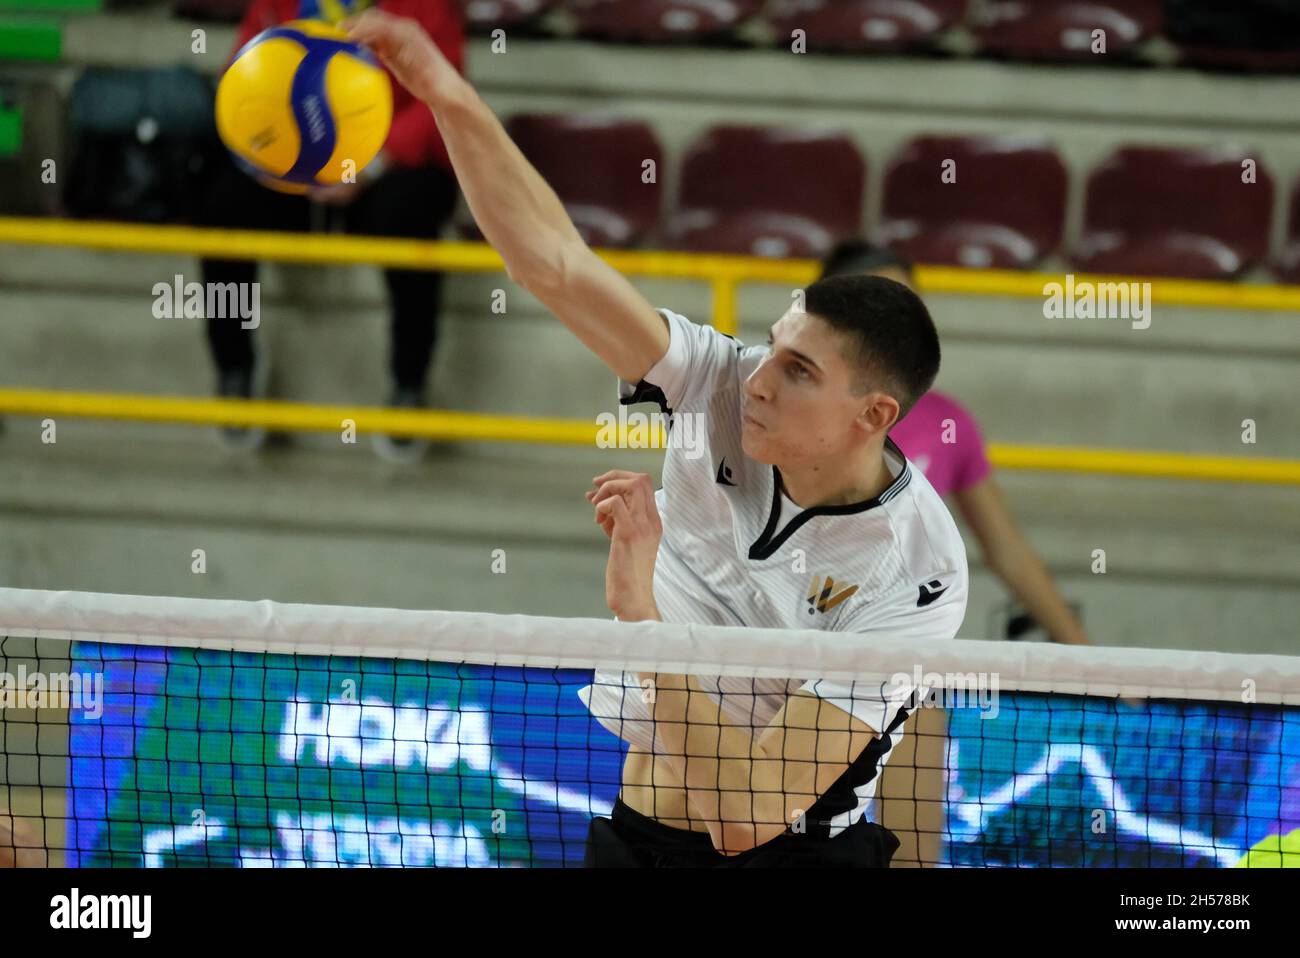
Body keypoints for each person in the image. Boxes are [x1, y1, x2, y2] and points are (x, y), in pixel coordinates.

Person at [345, 10, 968, 866]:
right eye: (773, 346)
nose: (757, 379)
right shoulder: (714, 381)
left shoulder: (917, 567)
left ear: (874, 416)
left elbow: (749, 821)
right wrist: (448, 93)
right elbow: (553, 263)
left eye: (800, 373)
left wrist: (638, 614)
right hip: (638, 839)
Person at [200, 0, 465, 462]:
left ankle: (408, 383)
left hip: (387, 167)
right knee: (223, 206)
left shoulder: (428, 6)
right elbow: (240, 79)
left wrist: (370, 160)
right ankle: (235, 370)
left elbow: (443, 94)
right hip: (291, 169)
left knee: (410, 216)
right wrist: (283, 162)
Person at [820, 240, 1090, 646]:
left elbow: (1008, 552)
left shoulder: (947, 422)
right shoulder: (787, 409)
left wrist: (1090, 661)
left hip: (904, 645)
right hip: (800, 633)